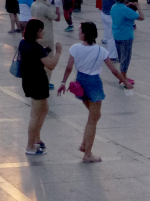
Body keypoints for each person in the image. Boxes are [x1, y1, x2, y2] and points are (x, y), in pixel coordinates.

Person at [57, 22, 133, 162]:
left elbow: (68, 68)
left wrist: (63, 83)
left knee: (94, 116)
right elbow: (114, 70)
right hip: (94, 83)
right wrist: (125, 82)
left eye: (80, 31)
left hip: (80, 81)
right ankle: (88, 154)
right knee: (94, 118)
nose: (78, 33)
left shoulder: (75, 48)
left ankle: (84, 144)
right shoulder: (101, 51)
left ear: (85, 34)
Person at [19, 18, 62, 154]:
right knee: (36, 115)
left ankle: (36, 138)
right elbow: (51, 65)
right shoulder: (36, 48)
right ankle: (30, 146)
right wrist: (58, 52)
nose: (44, 32)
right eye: (42, 30)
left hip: (28, 80)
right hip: (37, 82)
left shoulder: (23, 43)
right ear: (37, 31)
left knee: (43, 109)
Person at [110, 0, 142, 87]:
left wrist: (126, 6)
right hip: (126, 35)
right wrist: (138, 7)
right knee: (126, 57)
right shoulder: (125, 9)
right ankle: (123, 78)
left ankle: (123, 76)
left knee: (121, 56)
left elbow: (122, 11)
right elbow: (141, 17)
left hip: (116, 34)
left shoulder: (114, 7)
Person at [29, 0, 60, 87]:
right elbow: (57, 18)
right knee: (48, 60)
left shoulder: (34, 5)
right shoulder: (45, 7)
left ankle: (36, 79)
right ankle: (46, 82)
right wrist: (57, 7)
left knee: (37, 60)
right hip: (47, 36)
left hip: (37, 36)